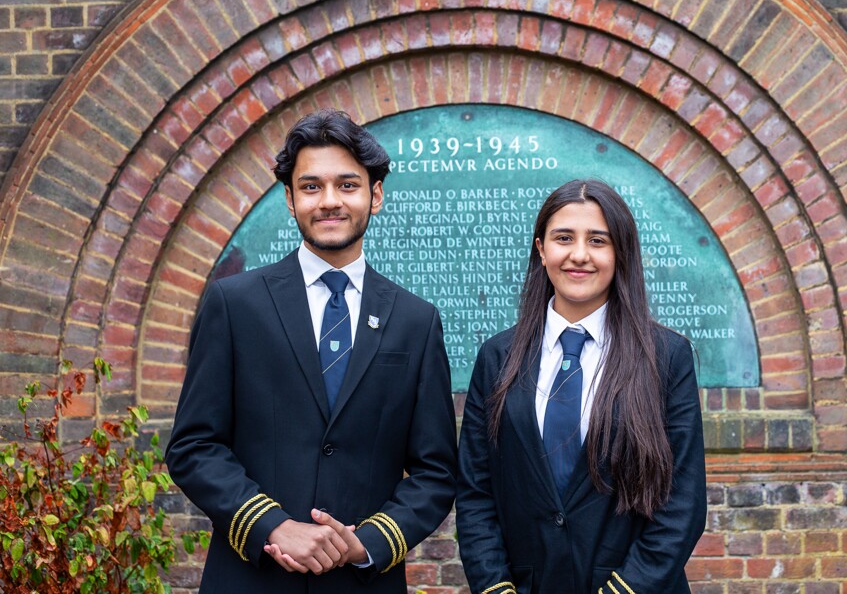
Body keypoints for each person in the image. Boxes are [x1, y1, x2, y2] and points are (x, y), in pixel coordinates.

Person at [166, 109, 457, 593]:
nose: (329, 202)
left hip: (363, 582)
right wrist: (273, 525)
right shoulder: (235, 304)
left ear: (375, 195)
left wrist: (367, 543)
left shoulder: (415, 321)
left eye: (347, 185)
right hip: (251, 578)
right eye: (311, 186)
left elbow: (436, 470)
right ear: (289, 198)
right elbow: (195, 447)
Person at [456, 179, 707, 594]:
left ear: (620, 253)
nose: (579, 255)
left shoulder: (667, 357)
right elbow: (476, 495)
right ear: (541, 249)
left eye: (598, 241)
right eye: (563, 238)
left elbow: (682, 504)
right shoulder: (497, 358)